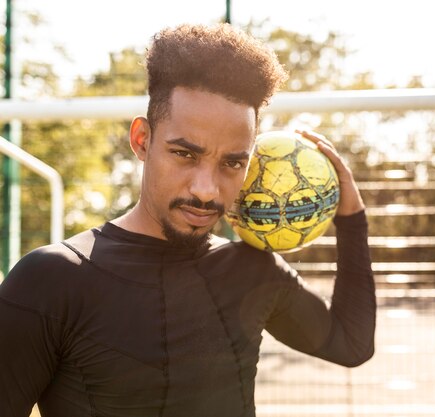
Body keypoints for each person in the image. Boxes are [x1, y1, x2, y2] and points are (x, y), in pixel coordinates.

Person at [0, 23, 376, 417]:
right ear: (142, 140)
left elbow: (350, 344)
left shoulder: (252, 270)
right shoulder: (51, 279)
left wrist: (352, 219)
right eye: (185, 154)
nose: (206, 190)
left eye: (232, 163)